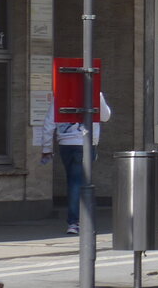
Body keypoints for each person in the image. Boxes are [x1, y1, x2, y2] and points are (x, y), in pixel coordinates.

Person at [36, 90, 112, 235]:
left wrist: (46, 147)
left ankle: (74, 222)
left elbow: (49, 123)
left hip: (66, 144)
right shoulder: (95, 92)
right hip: (86, 143)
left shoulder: (62, 94)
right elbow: (105, 116)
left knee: (73, 181)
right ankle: (77, 220)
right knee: (82, 182)